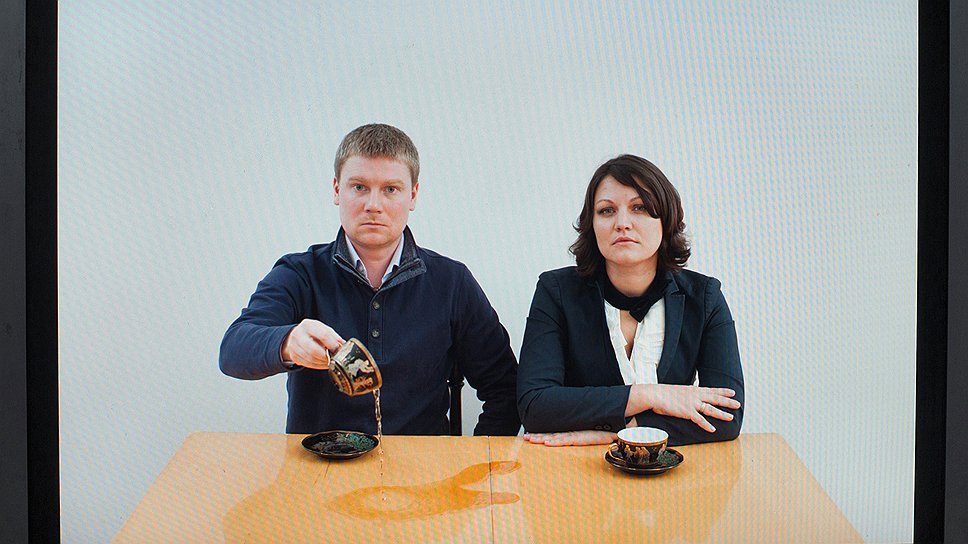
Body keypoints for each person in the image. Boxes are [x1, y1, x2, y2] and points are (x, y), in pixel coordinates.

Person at [220, 123, 520, 436]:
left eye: (390, 189)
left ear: (412, 195)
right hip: (319, 462)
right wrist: (288, 343)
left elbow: (505, 389)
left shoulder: (451, 282)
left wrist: (471, 460)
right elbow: (232, 350)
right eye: (359, 187)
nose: (373, 205)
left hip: (420, 465)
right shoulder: (300, 273)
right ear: (337, 190)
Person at [517, 154, 743, 446]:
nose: (622, 223)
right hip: (573, 466)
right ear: (591, 224)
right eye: (607, 210)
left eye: (640, 207)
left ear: (665, 219)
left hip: (668, 466)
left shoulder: (705, 297)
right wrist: (650, 395)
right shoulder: (556, 291)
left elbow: (727, 415)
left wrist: (622, 431)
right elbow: (535, 407)